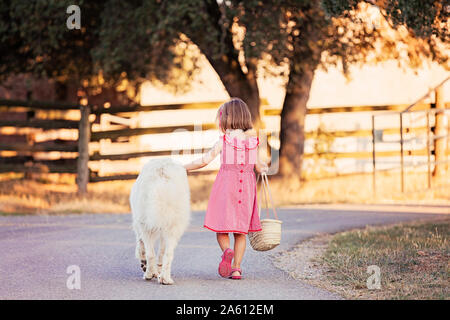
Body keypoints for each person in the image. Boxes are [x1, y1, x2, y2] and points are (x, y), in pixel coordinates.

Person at [184, 97, 268, 280]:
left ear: (226, 119)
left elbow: (204, 161)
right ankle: (236, 269)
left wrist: (183, 167)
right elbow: (260, 167)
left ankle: (226, 251)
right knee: (240, 232)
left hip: (226, 187)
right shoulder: (253, 142)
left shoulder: (224, 141)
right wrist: (264, 167)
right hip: (246, 188)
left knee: (222, 229)